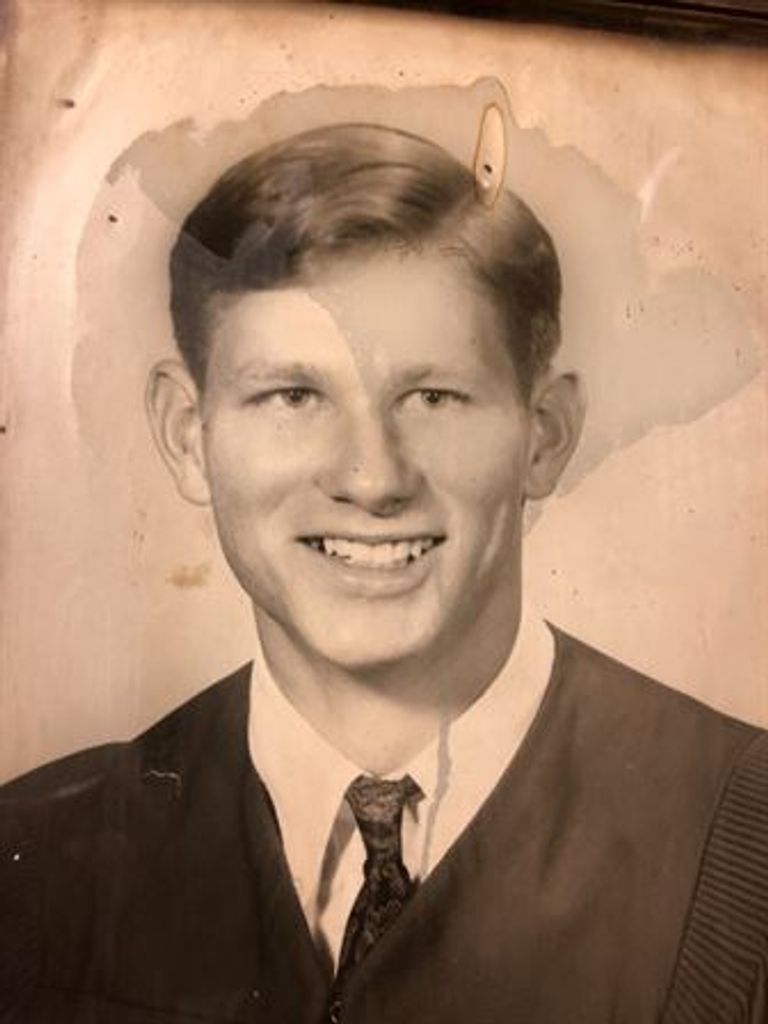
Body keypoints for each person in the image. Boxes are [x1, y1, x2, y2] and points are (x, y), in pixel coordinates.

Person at [1, 122, 766, 1024]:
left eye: (432, 396)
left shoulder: (742, 852)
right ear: (186, 436)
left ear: (545, 435)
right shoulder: (35, 868)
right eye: (293, 396)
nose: (372, 479)